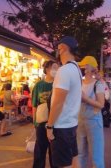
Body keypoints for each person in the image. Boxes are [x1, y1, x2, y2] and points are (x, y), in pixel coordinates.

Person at [46, 36, 82, 168]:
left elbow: (58, 103)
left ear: (63, 48)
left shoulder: (64, 71)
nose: (57, 51)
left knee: (62, 164)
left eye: (58, 48)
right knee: (73, 160)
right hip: (71, 124)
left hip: (61, 126)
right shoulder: (76, 69)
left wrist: (49, 127)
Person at [77, 56, 105, 168]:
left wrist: (85, 99)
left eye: (84, 65)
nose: (82, 67)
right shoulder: (80, 83)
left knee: (96, 156)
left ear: (89, 67)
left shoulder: (98, 84)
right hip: (80, 121)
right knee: (80, 153)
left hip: (94, 121)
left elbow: (101, 104)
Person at [32, 60, 59, 168]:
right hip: (42, 121)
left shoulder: (59, 84)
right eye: (54, 67)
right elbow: (34, 104)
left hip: (56, 122)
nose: (56, 70)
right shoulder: (39, 85)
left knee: (54, 151)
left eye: (57, 68)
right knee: (40, 150)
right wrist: (35, 122)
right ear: (47, 69)